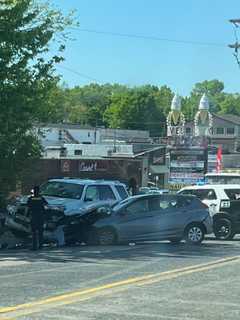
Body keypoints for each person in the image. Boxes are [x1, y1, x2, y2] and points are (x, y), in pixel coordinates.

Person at [27, 186, 48, 250]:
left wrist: (27, 215)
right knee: (40, 232)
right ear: (39, 191)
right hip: (41, 216)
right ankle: (41, 246)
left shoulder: (30, 198)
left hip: (33, 216)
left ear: (33, 191)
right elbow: (46, 204)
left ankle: (34, 246)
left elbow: (28, 207)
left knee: (34, 232)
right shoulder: (41, 198)